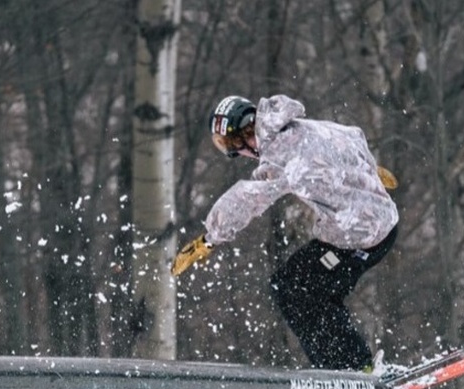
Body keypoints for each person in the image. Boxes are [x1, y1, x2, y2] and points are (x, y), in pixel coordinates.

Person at [171, 94, 399, 373]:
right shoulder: (297, 127)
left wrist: (209, 239)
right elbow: (350, 137)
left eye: (231, 145)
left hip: (361, 234)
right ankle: (349, 369)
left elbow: (245, 199)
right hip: (377, 224)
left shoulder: (278, 156)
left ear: (243, 134)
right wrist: (364, 172)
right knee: (304, 288)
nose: (237, 153)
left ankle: (350, 375)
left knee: (294, 290)